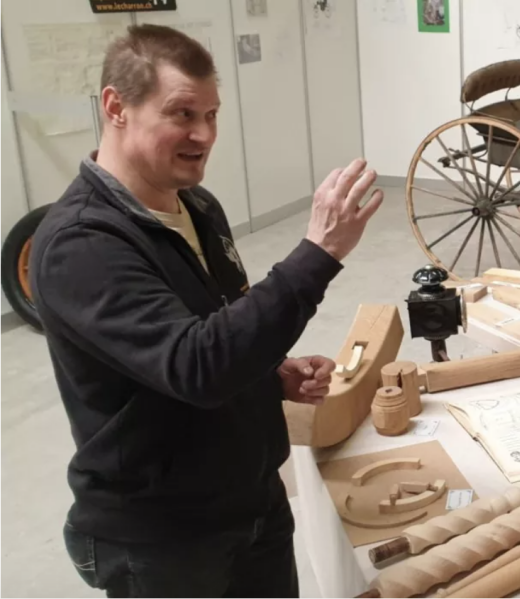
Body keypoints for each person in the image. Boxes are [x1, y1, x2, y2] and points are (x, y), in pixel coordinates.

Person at [29, 25, 383, 597]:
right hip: (163, 536)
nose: (204, 134)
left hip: (252, 499)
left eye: (212, 114)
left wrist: (269, 373)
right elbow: (196, 366)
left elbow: (213, 328)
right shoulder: (81, 244)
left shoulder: (198, 206)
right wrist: (319, 254)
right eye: (182, 114)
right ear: (116, 107)